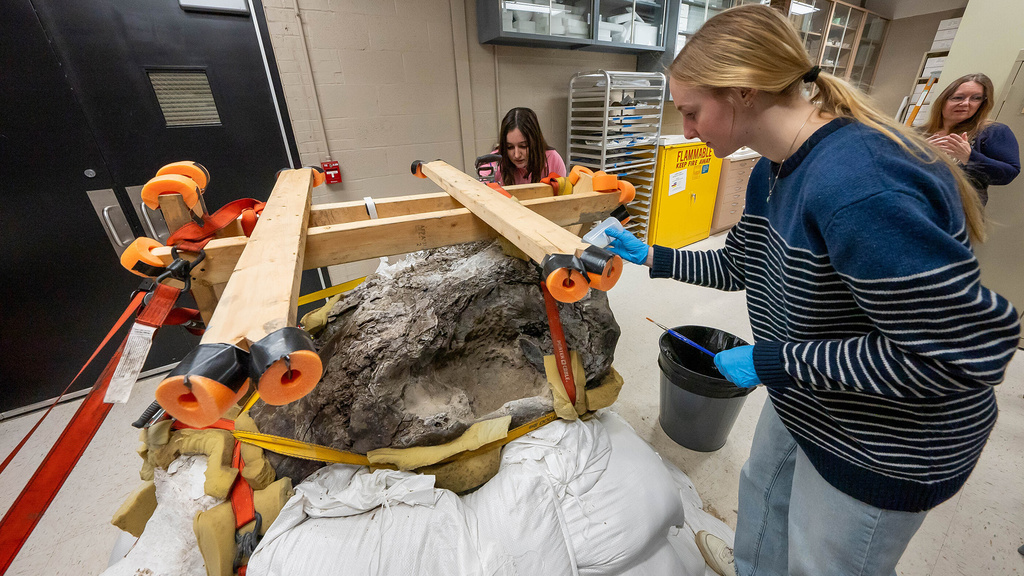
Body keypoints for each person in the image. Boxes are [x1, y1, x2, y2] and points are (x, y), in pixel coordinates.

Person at [603, 6, 1020, 576]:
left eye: (692, 112)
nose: (687, 131)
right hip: (811, 393)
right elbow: (742, 266)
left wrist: (775, 359)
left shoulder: (860, 182)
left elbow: (955, 355)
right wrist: (652, 254)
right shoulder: (768, 172)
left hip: (883, 440)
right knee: (765, 502)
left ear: (743, 91)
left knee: (823, 559)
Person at [924, 73, 1020, 206]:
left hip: (960, 214)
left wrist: (969, 157)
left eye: (976, 98)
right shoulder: (918, 133)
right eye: (958, 97)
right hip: (917, 208)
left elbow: (1008, 174)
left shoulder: (993, 131)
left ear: (982, 104)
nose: (965, 103)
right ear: (942, 100)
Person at [489, 107, 566, 186]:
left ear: (535, 142)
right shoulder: (492, 162)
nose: (517, 155)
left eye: (523, 146)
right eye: (509, 147)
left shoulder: (552, 159)